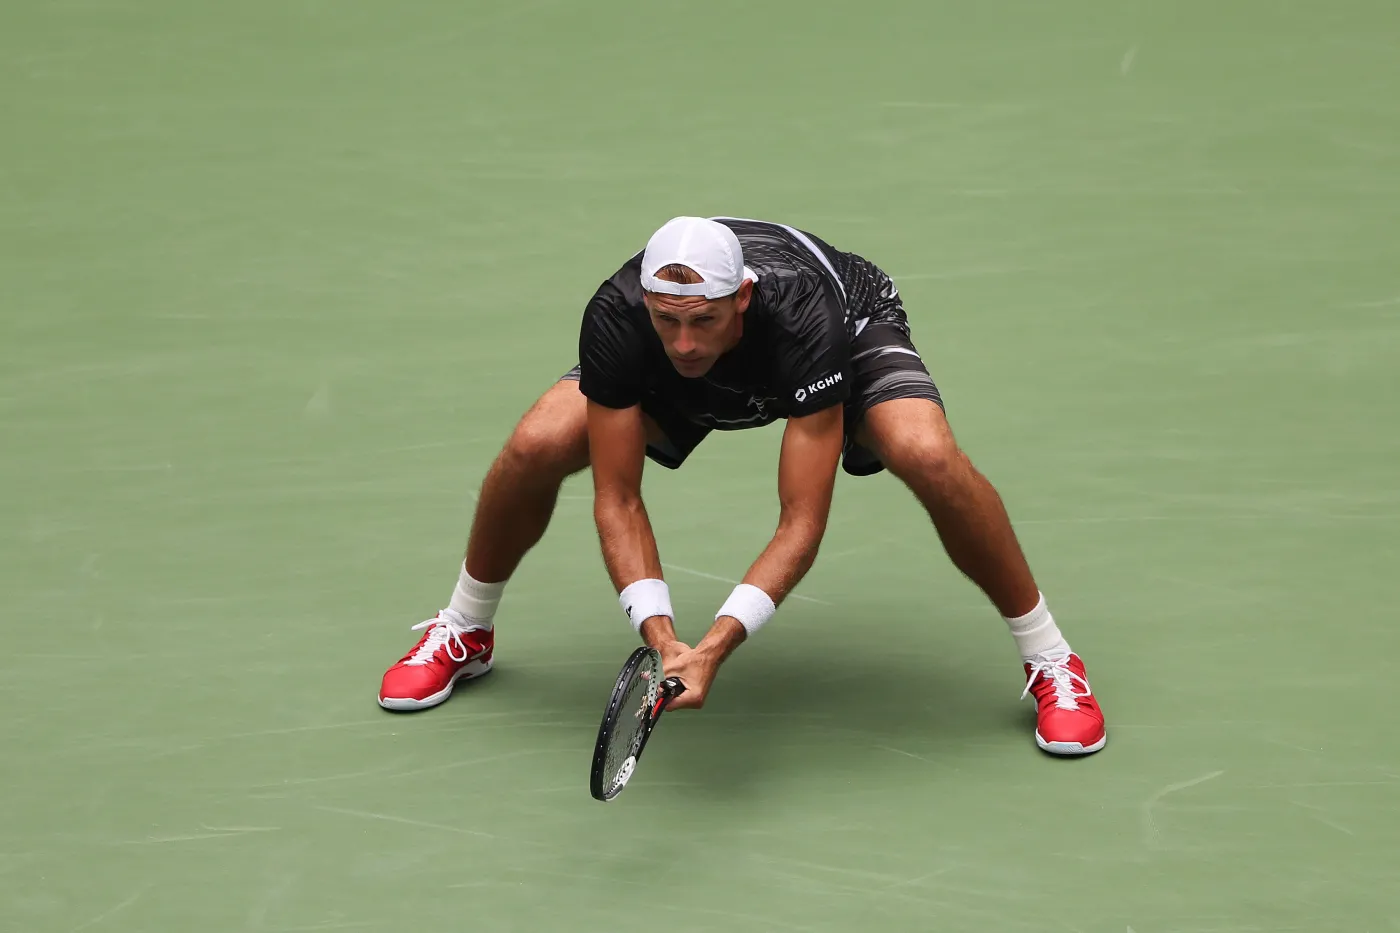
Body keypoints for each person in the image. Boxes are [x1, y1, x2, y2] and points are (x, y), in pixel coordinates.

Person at [377, 216, 1106, 756]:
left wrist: (718, 642)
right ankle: (467, 628)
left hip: (845, 327)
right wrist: (659, 634)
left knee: (927, 452)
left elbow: (801, 519)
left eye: (704, 320)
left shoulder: (801, 317)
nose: (685, 341)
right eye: (668, 321)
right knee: (536, 442)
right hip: (694, 376)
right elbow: (617, 496)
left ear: (744, 298)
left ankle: (1050, 656)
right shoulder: (619, 317)